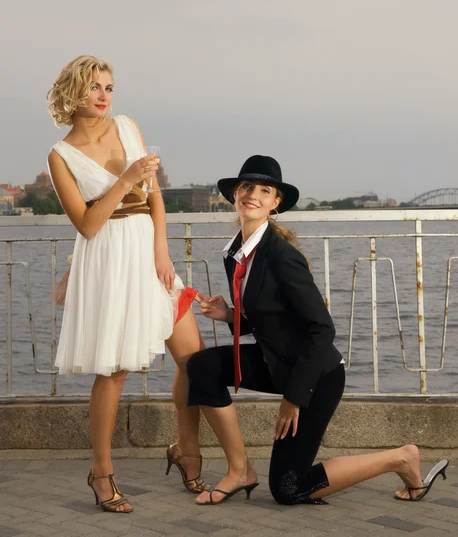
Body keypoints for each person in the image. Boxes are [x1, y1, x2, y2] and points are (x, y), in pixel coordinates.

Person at [186, 154, 448, 505]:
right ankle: (239, 470)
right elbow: (275, 320)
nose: (253, 195)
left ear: (275, 203)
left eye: (265, 190)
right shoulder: (237, 252)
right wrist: (230, 316)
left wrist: (294, 398)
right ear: (234, 194)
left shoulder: (281, 256)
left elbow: (321, 329)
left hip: (316, 375)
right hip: (277, 361)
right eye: (247, 187)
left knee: (288, 489)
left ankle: (400, 458)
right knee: (201, 367)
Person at [47, 55, 208, 513]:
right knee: (113, 371)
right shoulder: (60, 155)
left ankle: (186, 449)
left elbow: (153, 196)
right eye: (94, 87)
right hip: (109, 260)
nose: (103, 96)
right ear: (72, 92)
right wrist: (124, 179)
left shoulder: (128, 126)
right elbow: (87, 224)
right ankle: (101, 472)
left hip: (149, 254)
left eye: (109, 87)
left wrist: (162, 250)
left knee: (192, 360)